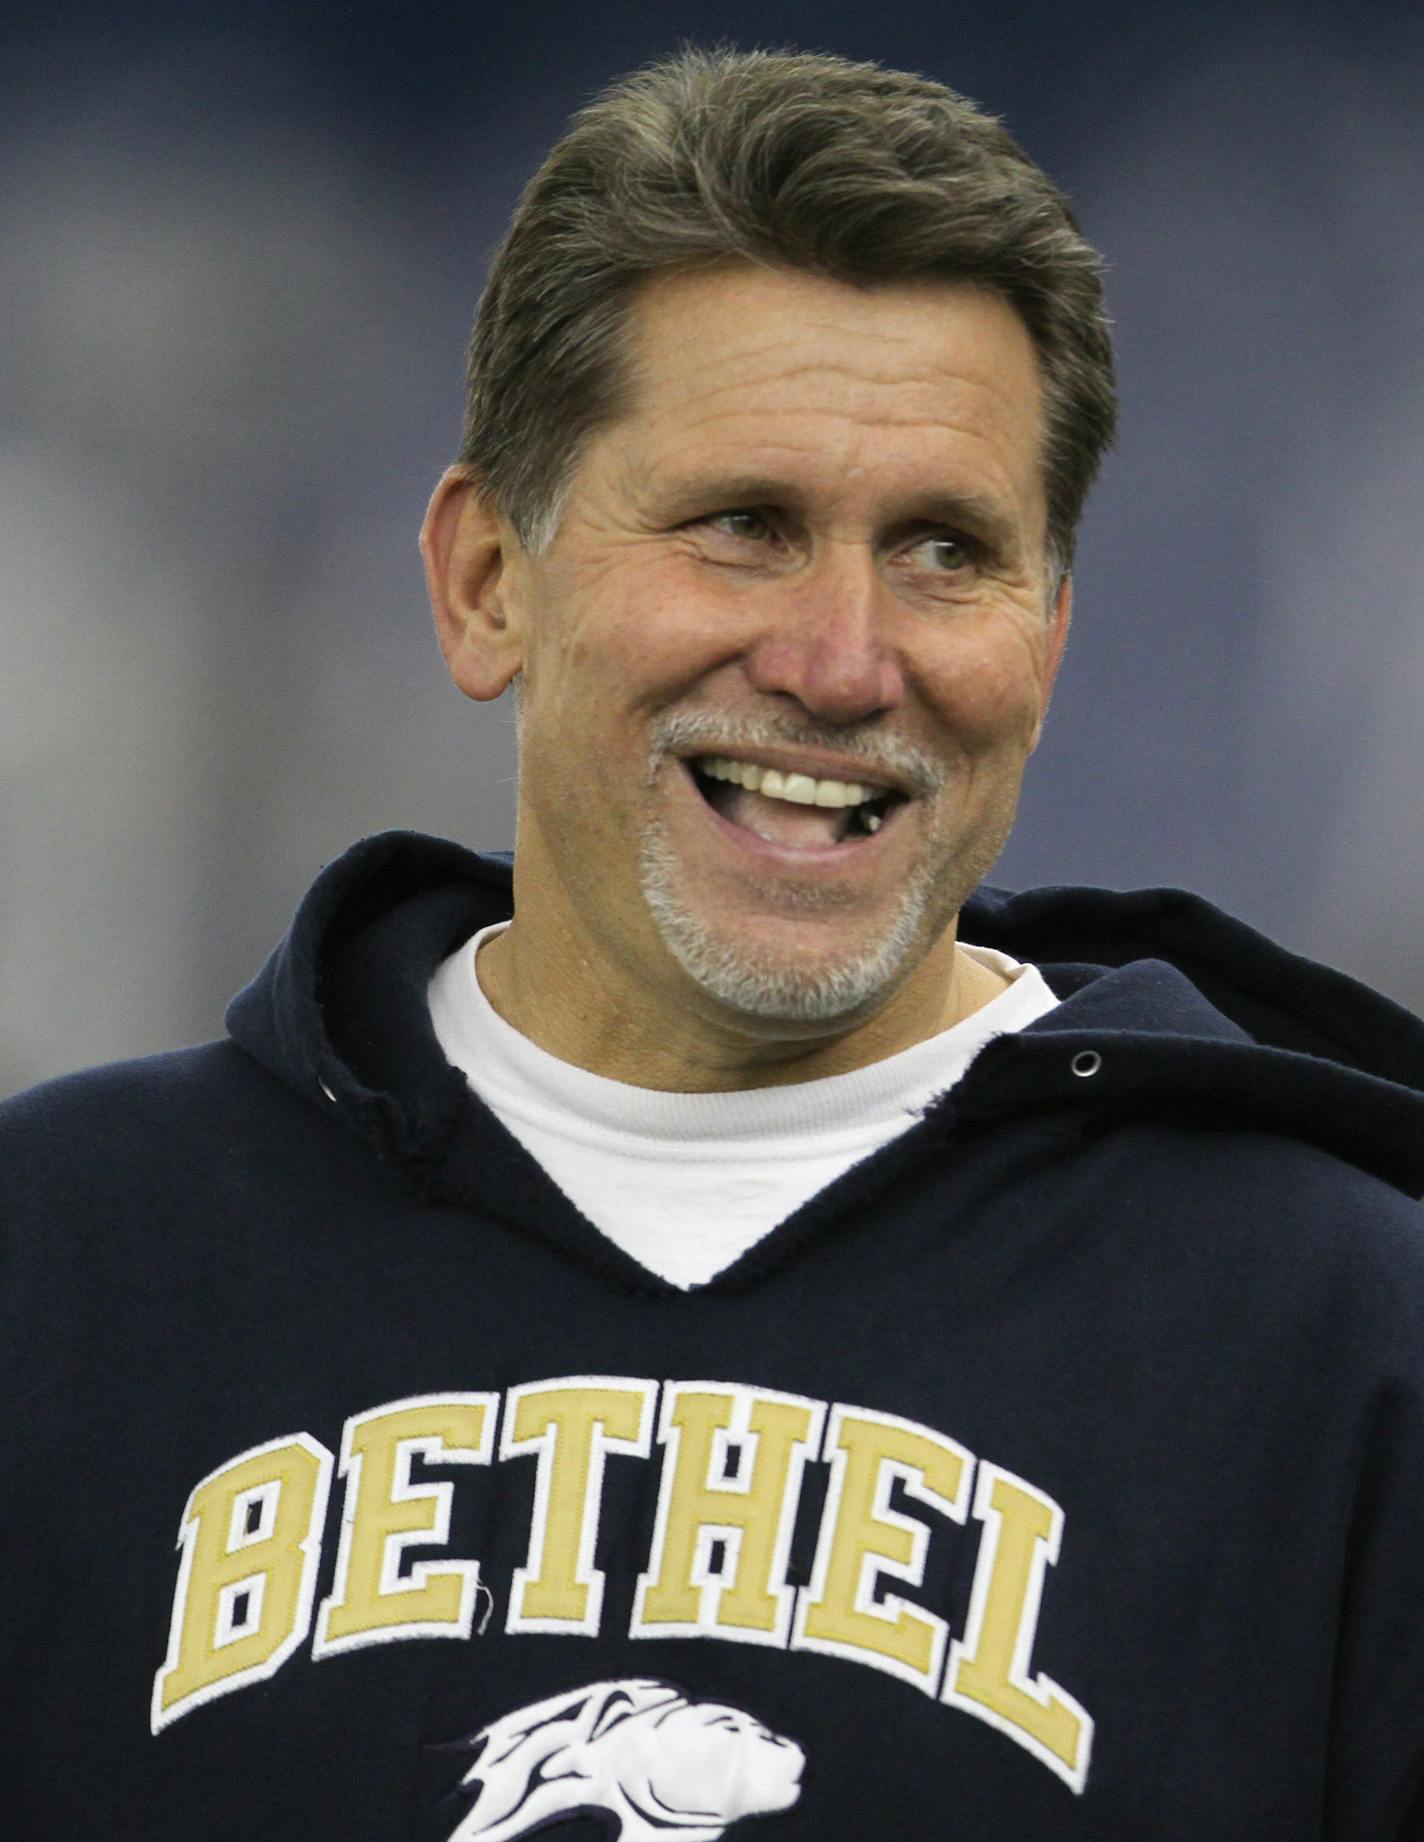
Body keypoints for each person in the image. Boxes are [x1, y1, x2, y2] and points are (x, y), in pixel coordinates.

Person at [2, 46, 1422, 1842]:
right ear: (484, 581)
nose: (841, 661)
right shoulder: (58, 1272)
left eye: (943, 550)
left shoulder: (1346, 1341)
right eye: (743, 527)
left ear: (1050, 644)